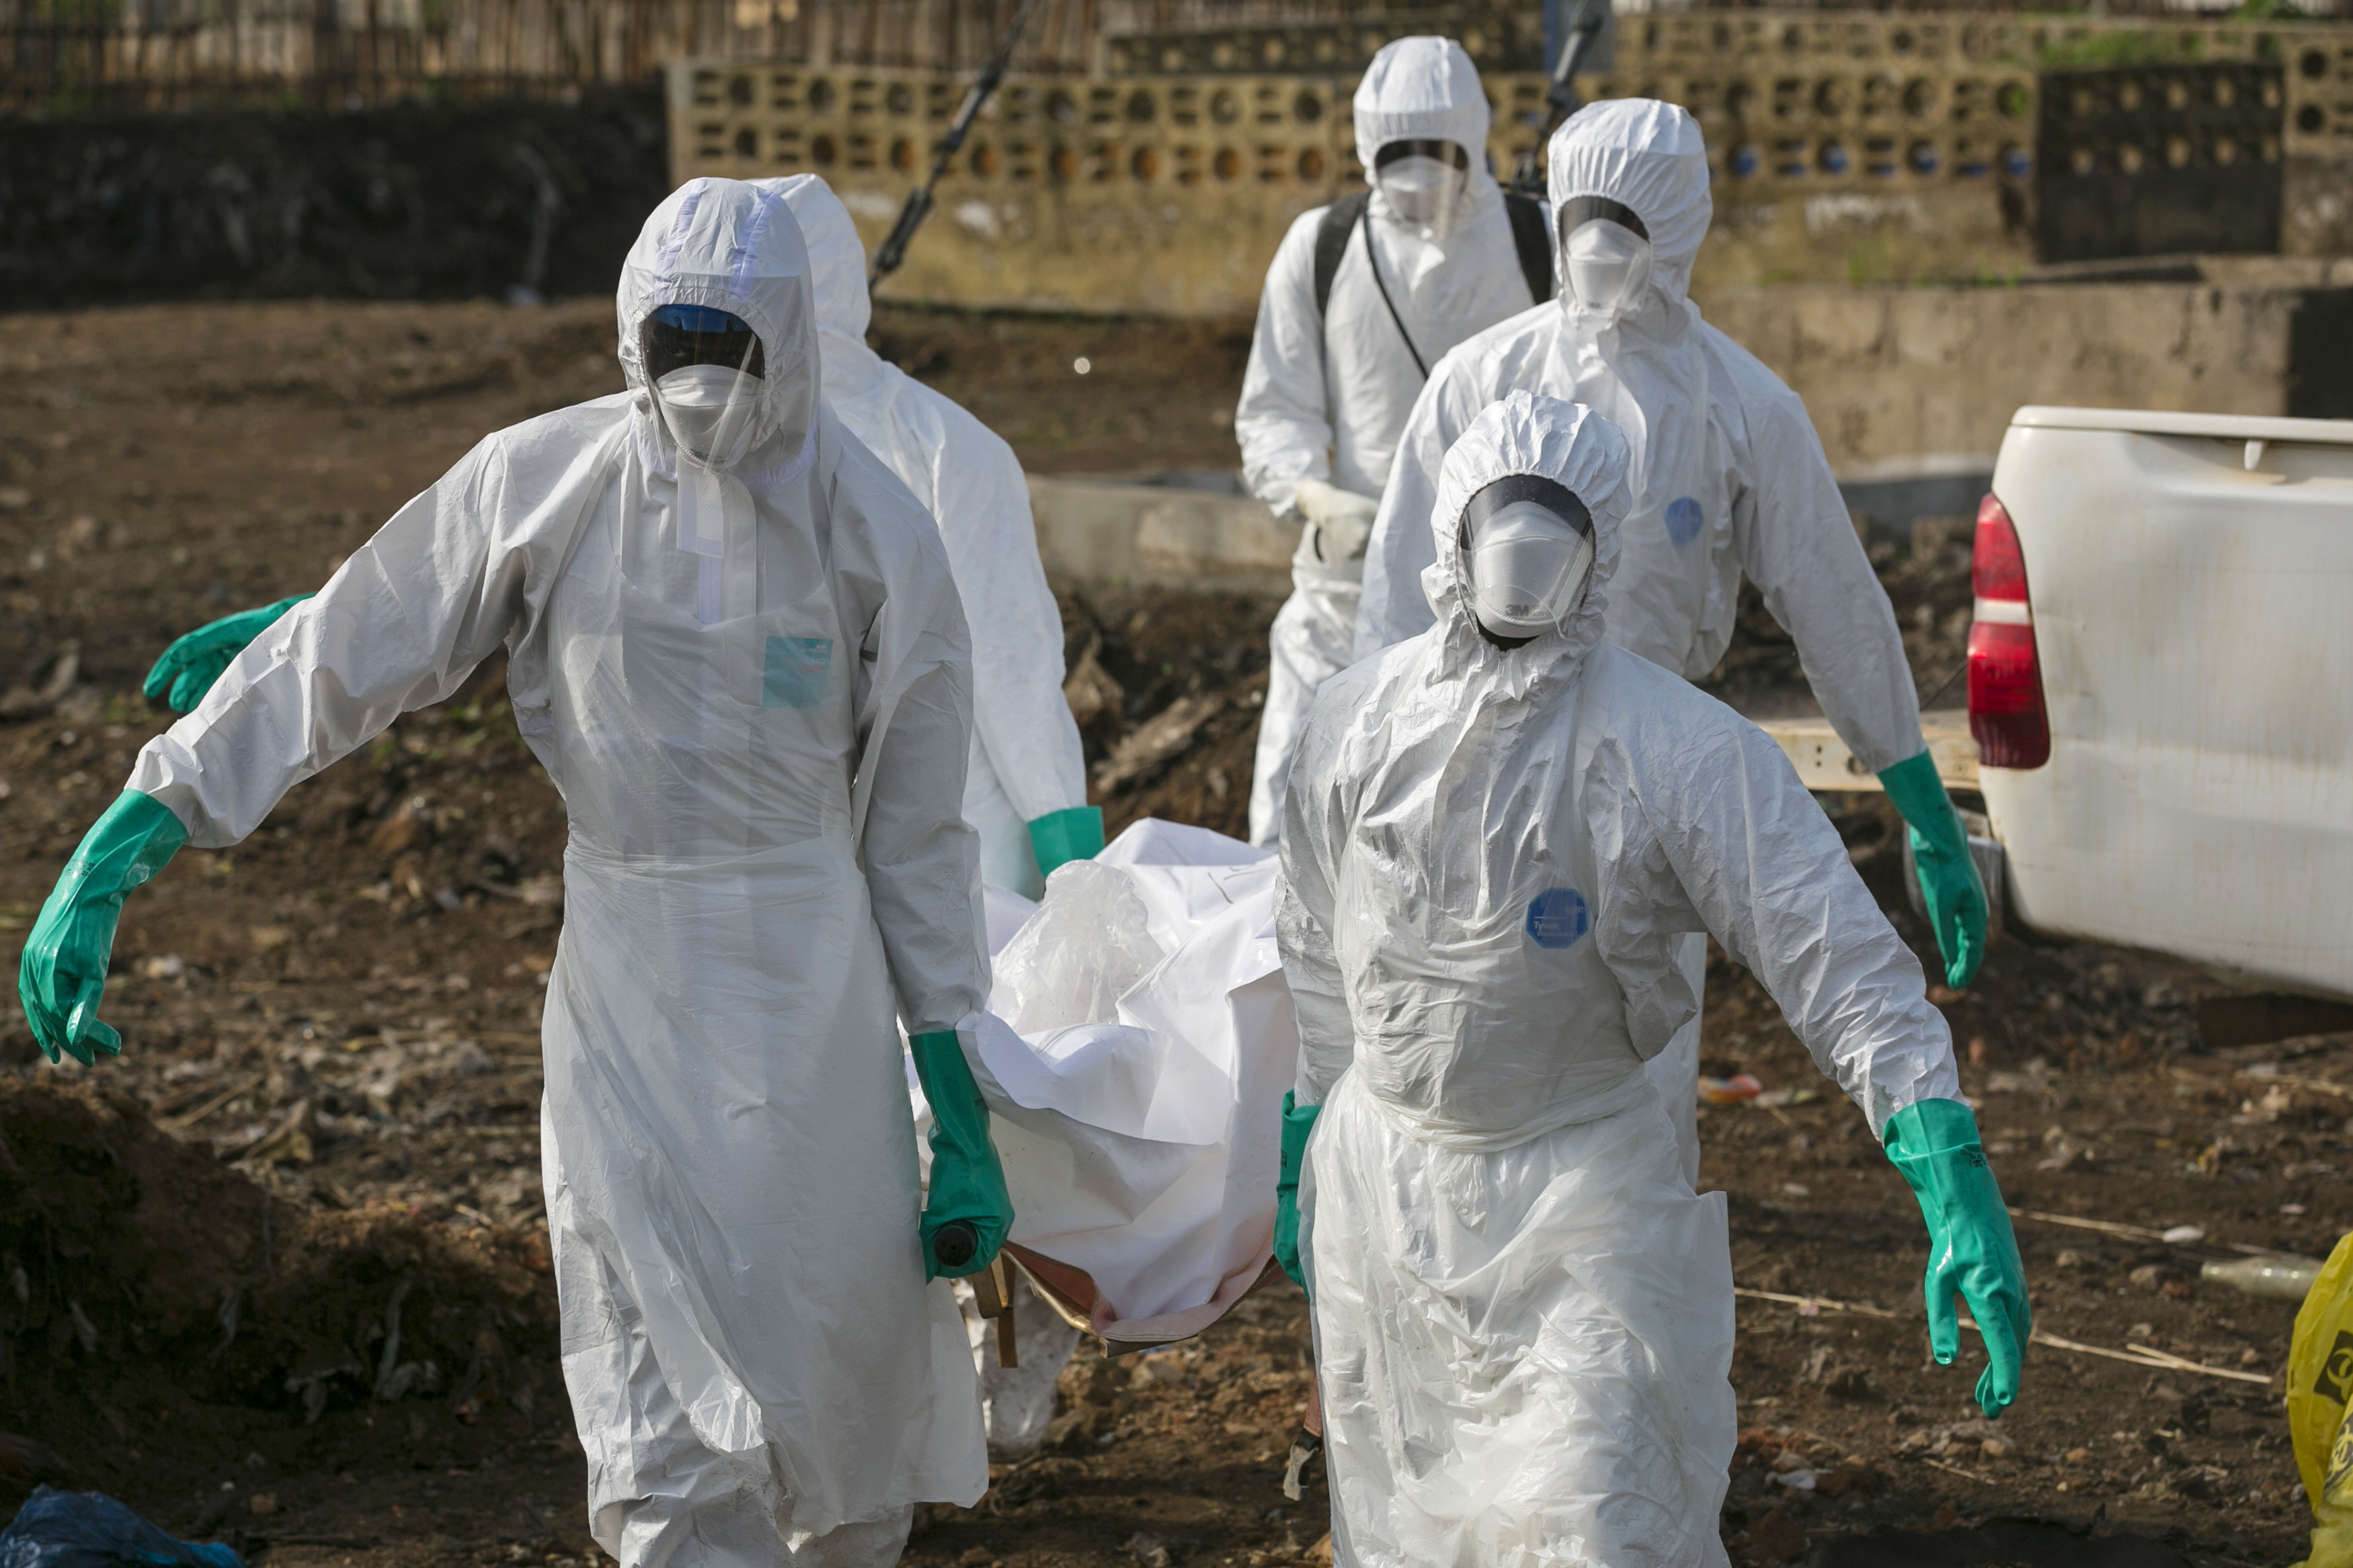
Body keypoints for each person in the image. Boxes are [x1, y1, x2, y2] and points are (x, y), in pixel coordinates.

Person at [19, 178, 1013, 1568]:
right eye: (675, 350)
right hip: (629, 962)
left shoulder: (881, 533)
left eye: (732, 352)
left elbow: (917, 836)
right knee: (647, 1341)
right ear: (628, 342)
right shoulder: (548, 482)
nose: (702, 385)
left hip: (816, 981)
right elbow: (350, 647)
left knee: (832, 1350)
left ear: (789, 346)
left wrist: (955, 1097)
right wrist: (143, 818)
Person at [1272, 390, 2028, 1567]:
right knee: (1409, 1536)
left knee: (1595, 1518)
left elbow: (1831, 952)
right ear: (1452, 534)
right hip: (1387, 1198)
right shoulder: (1353, 724)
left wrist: (1947, 1164)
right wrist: (1307, 1122)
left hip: (1585, 1197)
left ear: (1601, 550)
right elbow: (1318, 941)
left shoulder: (1674, 747)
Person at [141, 177, 1099, 908]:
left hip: (931, 853)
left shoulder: (923, 455)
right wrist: (317, 622)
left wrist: (1073, 863)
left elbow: (1007, 662)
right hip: (748, 887)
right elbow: (542, 591)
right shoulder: (691, 441)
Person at [1348, 98, 1986, 1188]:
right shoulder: (1477, 384)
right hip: (1478, 770)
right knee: (1451, 1066)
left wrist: (1919, 798)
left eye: (1630, 221)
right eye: (1592, 216)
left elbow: (1836, 603)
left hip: (1648, 786)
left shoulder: (1740, 406)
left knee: (1630, 1090)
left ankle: (1616, 1275)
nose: (1606, 249)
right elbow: (1391, 618)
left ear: (1683, 225)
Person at [1234, 34, 1552, 850]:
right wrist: (1312, 494)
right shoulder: (1323, 246)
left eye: (1437, 154)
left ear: (1470, 140)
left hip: (1502, 606)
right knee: (1290, 821)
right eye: (1396, 155)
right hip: (1342, 590)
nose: (1418, 179)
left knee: (1473, 839)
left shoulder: (1534, 242)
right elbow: (1273, 408)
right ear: (1367, 149)